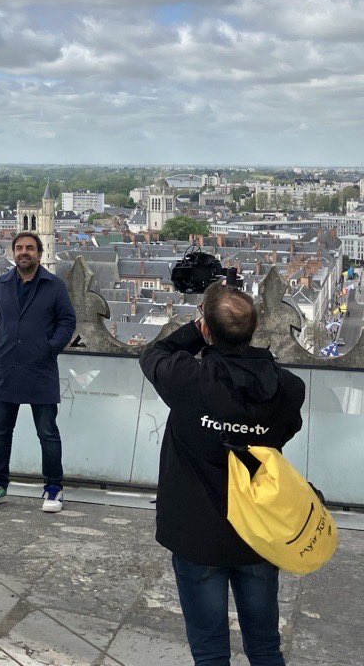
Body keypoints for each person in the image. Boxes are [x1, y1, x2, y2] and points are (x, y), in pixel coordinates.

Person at [139, 282, 305, 666]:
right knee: (265, 647)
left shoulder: (188, 381)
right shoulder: (288, 389)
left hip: (198, 532)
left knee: (210, 651)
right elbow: (285, 431)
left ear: (206, 329)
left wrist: (196, 330)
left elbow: (155, 352)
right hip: (259, 534)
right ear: (255, 326)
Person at [0, 231, 76, 512]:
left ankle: (54, 488)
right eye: (20, 248)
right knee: (0, 431)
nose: (24, 252)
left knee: (47, 432)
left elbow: (67, 321)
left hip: (40, 368)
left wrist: (50, 348)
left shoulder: (54, 285)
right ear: (13, 252)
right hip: (6, 367)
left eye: (30, 248)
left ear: (39, 253)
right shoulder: (2, 283)